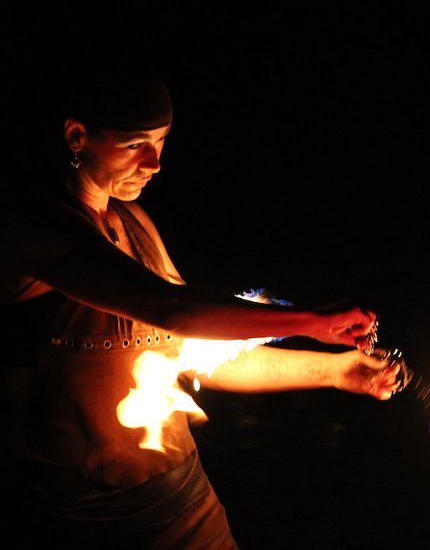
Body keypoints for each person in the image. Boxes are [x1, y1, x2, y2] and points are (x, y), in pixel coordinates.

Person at [0, 59, 402, 549]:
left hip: (188, 507)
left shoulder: (134, 223)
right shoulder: (33, 225)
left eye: (160, 142)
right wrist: (309, 321)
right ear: (76, 136)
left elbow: (193, 346)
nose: (154, 163)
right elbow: (170, 308)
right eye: (134, 145)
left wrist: (335, 371)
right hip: (88, 525)